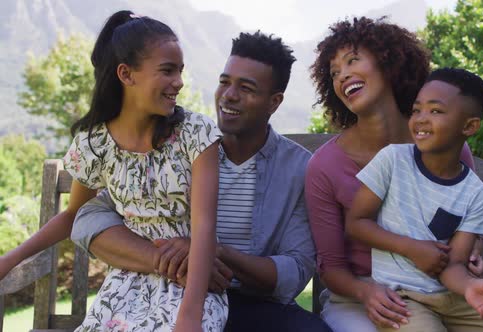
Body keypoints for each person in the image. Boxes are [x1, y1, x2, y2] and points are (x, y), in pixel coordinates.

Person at [70, 31, 333, 332]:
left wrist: (213, 252)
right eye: (224, 82)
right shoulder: (183, 146)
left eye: (246, 88)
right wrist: (165, 258)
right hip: (174, 292)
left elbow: (295, 270)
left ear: (274, 102)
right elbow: (88, 217)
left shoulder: (298, 168)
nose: (229, 95)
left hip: (253, 305)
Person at [0, 10, 227, 332]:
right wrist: (9, 260)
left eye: (180, 71)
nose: (178, 82)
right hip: (126, 280)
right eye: (167, 71)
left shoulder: (196, 134)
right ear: (126, 74)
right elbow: (73, 215)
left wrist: (189, 316)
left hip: (190, 282)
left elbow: (204, 228)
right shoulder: (94, 144)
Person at [306, 17, 483, 332]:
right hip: (361, 296)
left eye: (352, 61)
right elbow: (332, 269)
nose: (343, 74)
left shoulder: (445, 144)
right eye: (334, 72)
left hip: (440, 290)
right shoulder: (325, 166)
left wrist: (471, 250)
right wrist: (368, 291)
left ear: (388, 62)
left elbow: (464, 220)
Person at [346, 67, 483, 331]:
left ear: (469, 126)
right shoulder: (392, 160)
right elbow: (356, 223)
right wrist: (410, 247)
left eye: (435, 111)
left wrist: (469, 287)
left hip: (453, 297)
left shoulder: (475, 193)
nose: (421, 119)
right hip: (401, 297)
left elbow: (454, 265)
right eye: (417, 109)